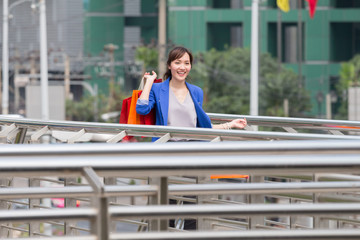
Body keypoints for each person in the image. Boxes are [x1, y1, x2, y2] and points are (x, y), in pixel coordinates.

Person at [136, 46, 247, 140]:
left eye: (186, 63)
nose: (182, 67)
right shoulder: (157, 88)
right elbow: (142, 109)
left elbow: (203, 126)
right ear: (169, 66)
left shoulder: (196, 92)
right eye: (177, 63)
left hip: (191, 150)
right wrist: (149, 82)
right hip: (166, 149)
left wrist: (231, 124)